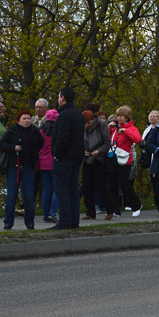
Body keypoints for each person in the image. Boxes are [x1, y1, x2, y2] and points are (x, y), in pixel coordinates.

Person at [0, 110, 44, 230]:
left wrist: (35, 156)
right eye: (24, 118)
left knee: (29, 196)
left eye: (29, 118)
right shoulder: (12, 131)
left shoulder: (34, 131)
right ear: (19, 120)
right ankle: (8, 222)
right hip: (14, 167)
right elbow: (1, 144)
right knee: (11, 196)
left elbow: (41, 143)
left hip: (29, 168)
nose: (27, 121)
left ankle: (30, 223)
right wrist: (13, 148)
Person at [52, 87, 85, 229]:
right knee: (72, 189)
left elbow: (63, 138)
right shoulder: (78, 114)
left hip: (65, 156)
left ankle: (65, 220)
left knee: (62, 189)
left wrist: (56, 153)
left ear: (63, 98)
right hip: (77, 155)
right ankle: (73, 221)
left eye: (59, 96)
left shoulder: (64, 115)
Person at [107, 106, 143, 217]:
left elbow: (138, 139)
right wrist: (109, 129)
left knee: (124, 184)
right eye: (118, 116)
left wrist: (126, 131)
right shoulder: (115, 128)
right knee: (112, 184)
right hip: (114, 158)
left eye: (121, 116)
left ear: (127, 117)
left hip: (125, 160)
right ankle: (116, 209)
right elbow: (109, 140)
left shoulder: (131, 128)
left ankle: (136, 205)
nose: (119, 118)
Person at [81, 109, 113, 220]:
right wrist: (82, 151)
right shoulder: (82, 128)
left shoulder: (102, 125)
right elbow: (80, 141)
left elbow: (107, 142)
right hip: (87, 159)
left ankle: (109, 209)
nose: (87, 125)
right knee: (86, 186)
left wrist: (99, 151)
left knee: (102, 186)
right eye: (85, 123)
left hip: (99, 159)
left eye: (89, 123)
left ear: (93, 120)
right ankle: (90, 211)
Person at [39, 109, 59, 223]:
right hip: (54, 161)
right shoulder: (57, 130)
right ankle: (53, 211)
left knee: (47, 188)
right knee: (57, 188)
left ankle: (46, 214)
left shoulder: (41, 131)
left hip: (42, 162)